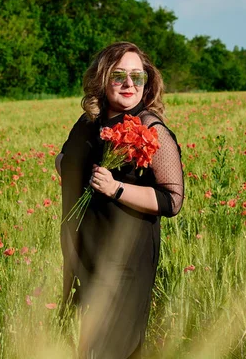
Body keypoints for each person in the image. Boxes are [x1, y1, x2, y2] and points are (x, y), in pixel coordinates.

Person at [55, 41, 184, 358]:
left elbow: (172, 200)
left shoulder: (151, 130)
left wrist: (116, 189)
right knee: (86, 346)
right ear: (102, 79)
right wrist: (75, 171)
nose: (129, 84)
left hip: (126, 260)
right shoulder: (89, 124)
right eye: (119, 76)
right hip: (85, 253)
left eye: (137, 77)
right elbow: (63, 159)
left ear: (147, 82)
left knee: (114, 348)